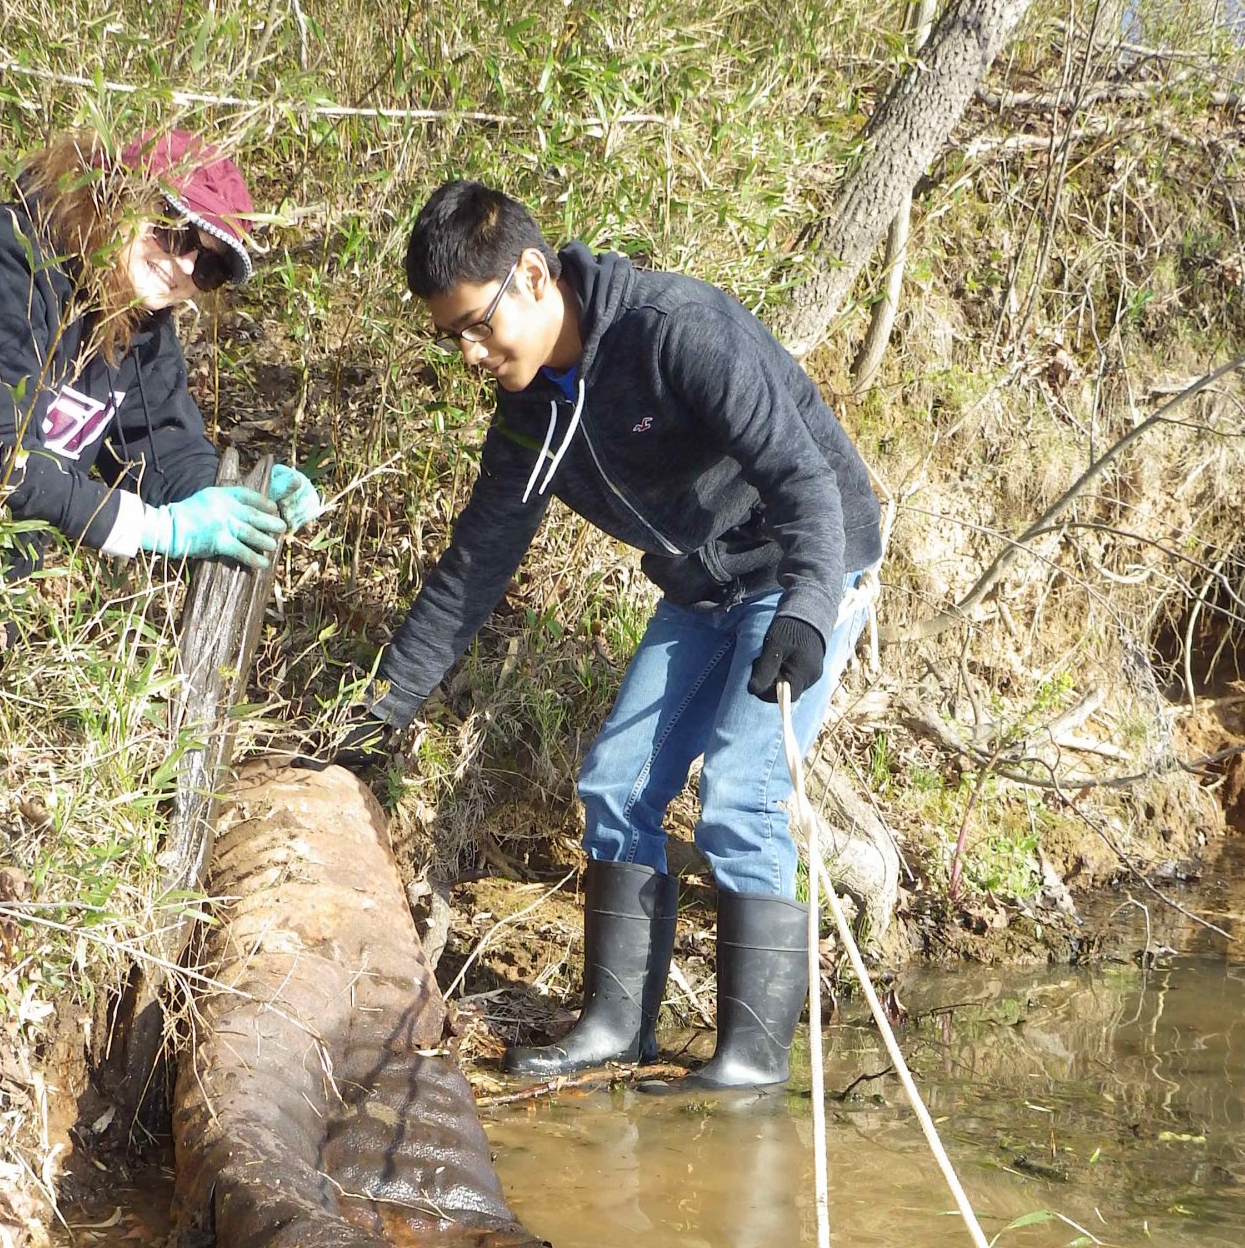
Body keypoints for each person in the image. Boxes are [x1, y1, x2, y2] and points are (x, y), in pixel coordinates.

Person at [344, 181, 880, 1093]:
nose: (471, 352)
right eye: (452, 338)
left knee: (741, 795)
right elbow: (476, 567)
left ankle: (751, 1065)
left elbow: (806, 481)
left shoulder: (677, 330)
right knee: (617, 786)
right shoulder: (529, 414)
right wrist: (381, 709)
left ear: (530, 273)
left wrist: (806, 609)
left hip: (802, 567)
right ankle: (613, 1028)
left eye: (478, 324)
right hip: (700, 589)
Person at [0, 127, 321, 632]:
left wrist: (237, 491)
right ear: (115, 196)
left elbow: (164, 447)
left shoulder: (142, 324)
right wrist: (158, 531)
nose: (183, 266)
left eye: (210, 269)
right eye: (173, 229)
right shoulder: (0, 261)